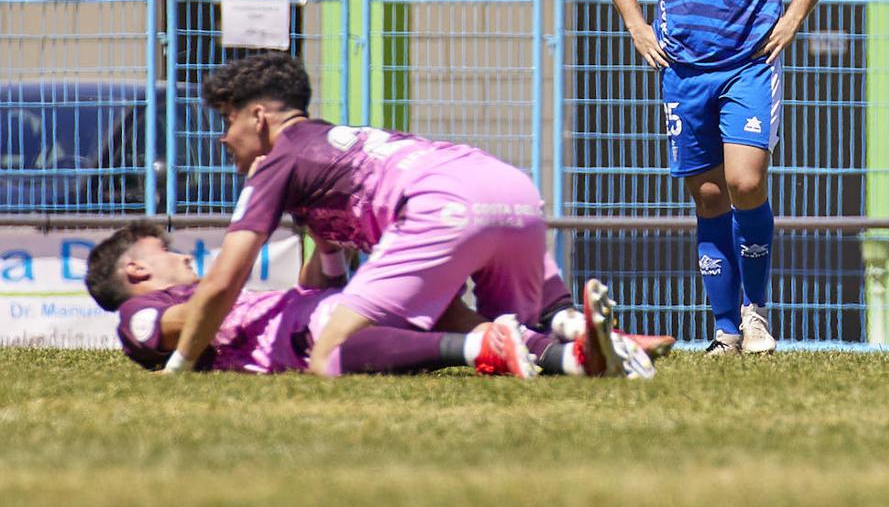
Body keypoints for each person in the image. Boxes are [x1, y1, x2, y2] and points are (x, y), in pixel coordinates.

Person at [161, 52, 655, 377]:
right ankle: (577, 341)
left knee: (329, 353)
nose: (223, 138)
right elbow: (337, 277)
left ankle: (558, 333)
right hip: (509, 187)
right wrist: (326, 251)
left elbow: (225, 280)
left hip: (445, 206)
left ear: (258, 117)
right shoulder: (339, 144)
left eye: (227, 122)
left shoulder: (279, 160)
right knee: (504, 330)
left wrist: (179, 366)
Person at [601, 0, 834, 355]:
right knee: (707, 196)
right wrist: (637, 25)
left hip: (748, 62)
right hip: (682, 68)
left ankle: (756, 313)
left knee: (746, 182)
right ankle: (724, 329)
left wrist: (792, 18)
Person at [86, 222, 656, 378]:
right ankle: (514, 343)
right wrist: (221, 285)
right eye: (164, 250)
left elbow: (318, 289)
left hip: (323, 312)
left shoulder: (207, 291)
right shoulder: (140, 315)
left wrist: (326, 245)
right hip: (309, 335)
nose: (181, 254)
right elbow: (177, 329)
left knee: (484, 234)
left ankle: (572, 336)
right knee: (344, 324)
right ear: (137, 270)